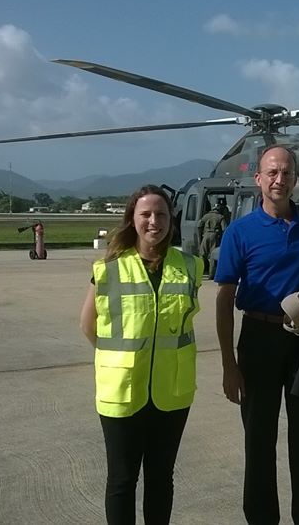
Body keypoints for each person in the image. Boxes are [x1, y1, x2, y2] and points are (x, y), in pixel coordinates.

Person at [214, 145, 299, 525]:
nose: (279, 179)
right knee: (259, 441)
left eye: (286, 173)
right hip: (258, 340)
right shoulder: (240, 232)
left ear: (295, 179)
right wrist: (228, 364)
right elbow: (224, 300)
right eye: (271, 172)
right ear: (258, 179)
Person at [79, 184, 203, 524]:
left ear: (171, 220)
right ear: (132, 220)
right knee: (122, 479)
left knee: (161, 478)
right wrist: (118, 360)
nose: (154, 221)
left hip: (172, 392)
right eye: (145, 214)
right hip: (122, 391)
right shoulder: (108, 268)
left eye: (161, 214)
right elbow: (88, 325)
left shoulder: (190, 267)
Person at [197, 202, 227, 280]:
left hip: (205, 235)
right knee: (212, 256)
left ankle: (200, 273)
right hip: (215, 236)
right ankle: (211, 275)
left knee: (202, 254)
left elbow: (199, 225)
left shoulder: (206, 216)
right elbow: (224, 229)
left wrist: (200, 235)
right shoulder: (221, 217)